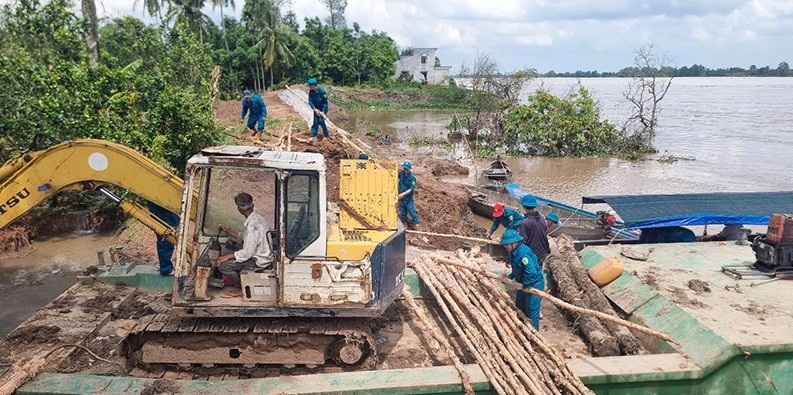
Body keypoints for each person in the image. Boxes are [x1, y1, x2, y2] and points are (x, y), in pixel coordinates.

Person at [215, 192, 274, 297]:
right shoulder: (258, 218)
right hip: (262, 255)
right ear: (253, 205)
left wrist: (226, 257)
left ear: (239, 209)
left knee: (223, 266)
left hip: (259, 260)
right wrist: (228, 231)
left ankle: (242, 288)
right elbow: (244, 236)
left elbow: (247, 253)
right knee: (229, 256)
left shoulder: (252, 226)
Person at [500, 229, 544, 330]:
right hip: (522, 283)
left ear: (515, 242)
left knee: (531, 310)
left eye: (507, 244)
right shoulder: (513, 252)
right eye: (504, 245)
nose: (505, 247)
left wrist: (525, 285)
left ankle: (534, 335)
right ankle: (521, 329)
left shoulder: (524, 254)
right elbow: (517, 269)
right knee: (519, 306)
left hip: (534, 284)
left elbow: (531, 272)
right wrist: (510, 277)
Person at [146, 201, 179, 276]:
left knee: (165, 240)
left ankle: (166, 267)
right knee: (165, 239)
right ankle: (166, 269)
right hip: (164, 211)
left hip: (165, 209)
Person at [517, 195, 551, 262]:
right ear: (534, 206)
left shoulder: (525, 222)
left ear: (523, 207)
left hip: (532, 255)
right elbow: (544, 236)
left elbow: (523, 242)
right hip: (543, 254)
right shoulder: (542, 219)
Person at [398, 160, 419, 227]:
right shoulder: (401, 174)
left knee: (412, 212)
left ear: (409, 169)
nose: (405, 170)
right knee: (403, 213)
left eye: (407, 169)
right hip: (402, 198)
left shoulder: (411, 178)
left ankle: (417, 225)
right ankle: (405, 225)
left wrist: (403, 194)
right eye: (404, 169)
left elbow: (411, 189)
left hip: (408, 199)